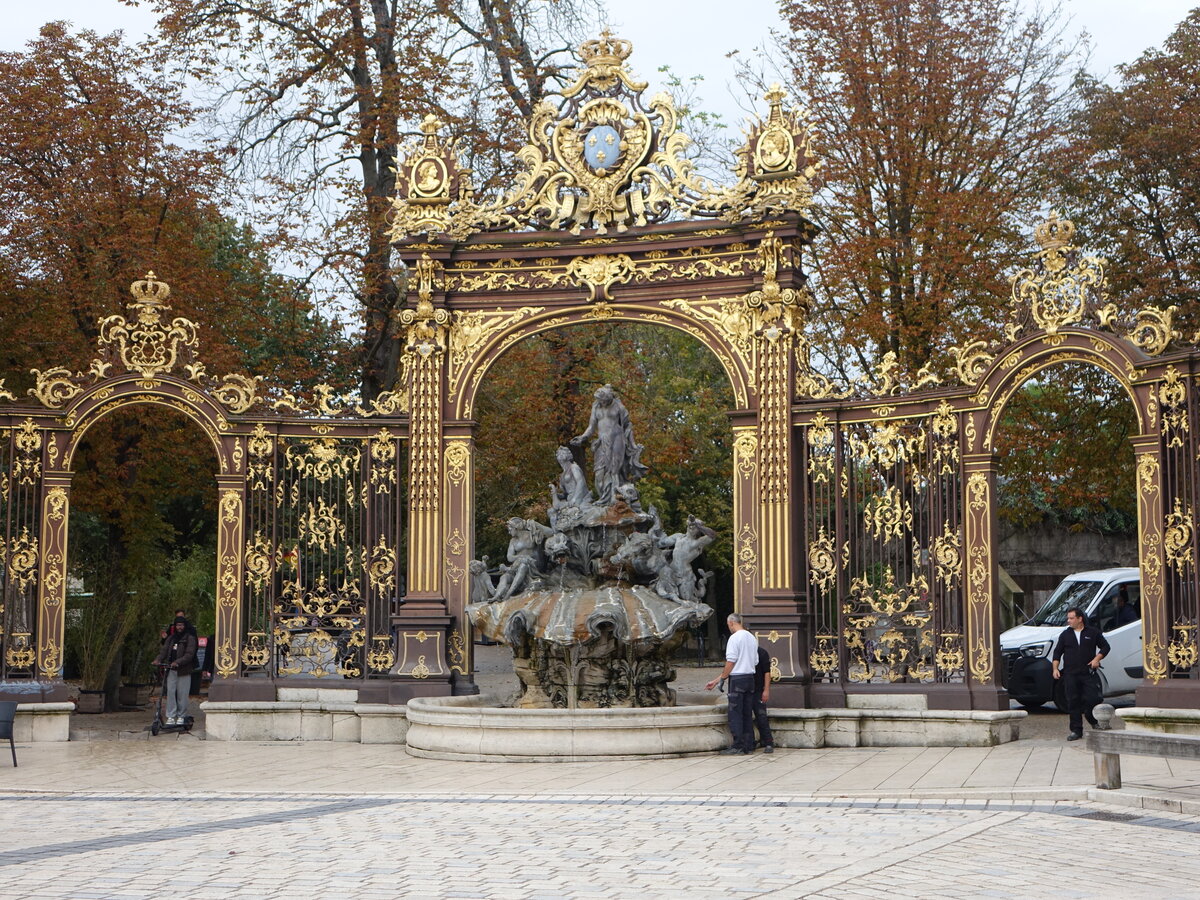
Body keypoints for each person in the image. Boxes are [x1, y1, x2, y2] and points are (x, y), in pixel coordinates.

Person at [571, 385, 647, 506]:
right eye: (600, 400)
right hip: (601, 442)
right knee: (599, 474)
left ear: (609, 397)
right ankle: (604, 498)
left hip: (617, 440)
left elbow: (627, 426)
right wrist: (583, 437)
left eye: (604, 400)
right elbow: (591, 427)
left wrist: (632, 444)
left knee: (614, 471)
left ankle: (615, 500)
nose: (602, 402)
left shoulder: (619, 407)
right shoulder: (596, 406)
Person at [1052, 607, 1110, 740]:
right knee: (1073, 701)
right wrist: (1055, 668)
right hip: (1070, 674)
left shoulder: (1093, 632)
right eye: (1068, 618)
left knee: (1093, 699)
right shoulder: (1065, 635)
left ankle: (1092, 719)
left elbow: (1106, 647)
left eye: (1071, 618)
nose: (1069, 621)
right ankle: (1076, 730)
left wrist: (1097, 659)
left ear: (1080, 619)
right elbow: (1057, 653)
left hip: (1087, 672)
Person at [705, 613, 759, 755]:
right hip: (749, 678)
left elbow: (731, 662)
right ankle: (749, 744)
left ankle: (738, 745)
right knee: (747, 712)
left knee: (735, 713)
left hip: (737, 680)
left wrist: (722, 678)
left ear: (731, 623)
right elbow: (755, 662)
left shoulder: (734, 638)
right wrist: (718, 679)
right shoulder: (751, 638)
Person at [154, 615, 198, 726]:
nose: (179, 627)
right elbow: (164, 651)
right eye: (178, 625)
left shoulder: (190, 638)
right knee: (170, 693)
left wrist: (178, 662)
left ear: (185, 626)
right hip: (171, 670)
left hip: (184, 671)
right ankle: (171, 716)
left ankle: (181, 716)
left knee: (182, 695)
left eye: (181, 625)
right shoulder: (171, 638)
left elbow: (189, 654)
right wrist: (158, 659)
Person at [753, 645, 775, 754]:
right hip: (747, 688)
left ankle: (768, 742)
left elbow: (767, 672)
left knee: (761, 716)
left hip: (757, 689)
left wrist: (766, 690)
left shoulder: (761, 652)